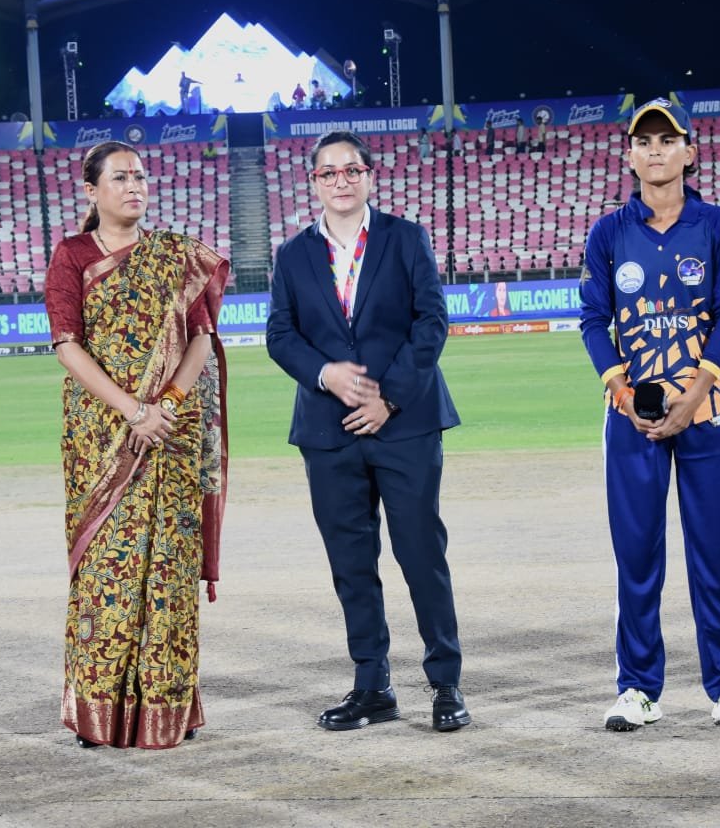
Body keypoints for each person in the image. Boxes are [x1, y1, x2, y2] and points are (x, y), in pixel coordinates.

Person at [265, 130, 470, 734]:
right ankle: (372, 685)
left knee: (421, 554)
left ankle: (446, 683)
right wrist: (325, 374)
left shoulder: (406, 238)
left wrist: (389, 397)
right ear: (313, 183)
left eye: (351, 170)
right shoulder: (292, 254)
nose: (341, 181)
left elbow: (431, 322)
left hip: (405, 425)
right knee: (351, 564)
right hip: (328, 432)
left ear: (369, 176)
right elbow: (280, 335)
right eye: (328, 173)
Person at [43, 140, 230, 750]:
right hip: (102, 435)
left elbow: (200, 337)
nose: (135, 187)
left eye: (141, 177)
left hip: (171, 433)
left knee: (169, 569)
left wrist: (166, 404)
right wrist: (132, 410)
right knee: (108, 570)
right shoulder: (72, 255)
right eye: (120, 178)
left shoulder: (176, 255)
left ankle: (169, 709)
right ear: (91, 190)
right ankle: (97, 714)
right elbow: (67, 344)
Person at [579, 96, 720, 732]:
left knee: (717, 553)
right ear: (629, 156)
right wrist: (623, 394)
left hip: (709, 410)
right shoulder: (608, 232)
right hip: (632, 417)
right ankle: (637, 689)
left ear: (690, 152)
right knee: (637, 556)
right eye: (643, 142)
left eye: (667, 140)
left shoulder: (717, 225)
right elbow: (593, 321)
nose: (655, 151)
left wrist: (699, 391)